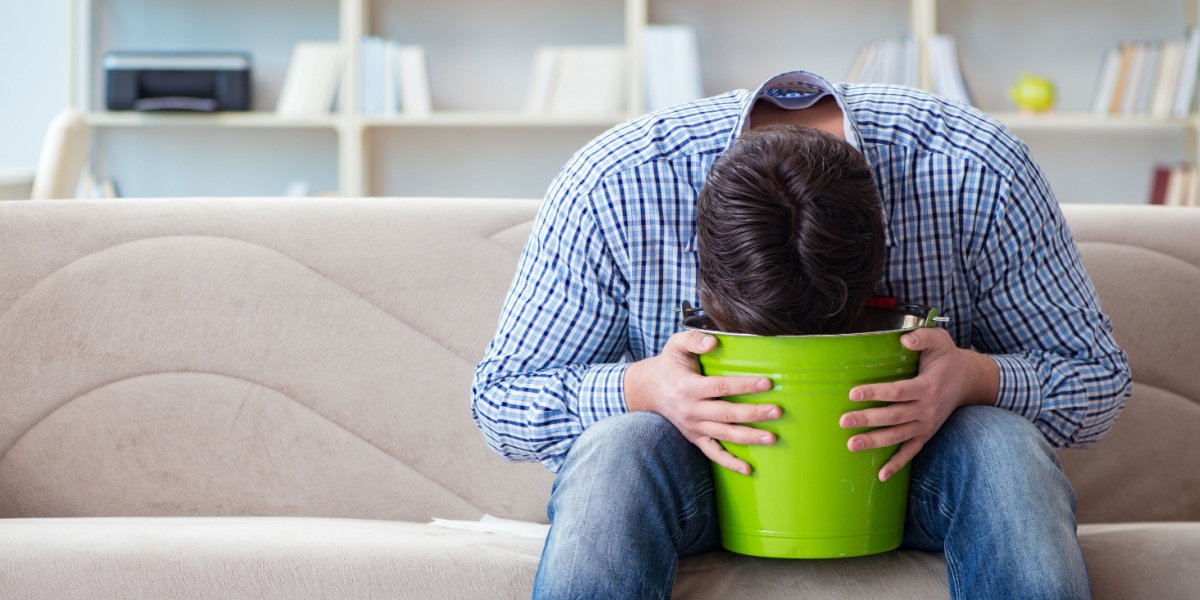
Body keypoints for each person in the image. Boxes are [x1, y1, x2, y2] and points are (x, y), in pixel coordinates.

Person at [471, 70, 1132, 599]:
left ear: (883, 239)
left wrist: (974, 377)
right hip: (708, 484)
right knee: (619, 446)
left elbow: (1098, 379)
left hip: (911, 478)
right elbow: (500, 401)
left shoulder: (977, 173)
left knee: (1002, 443)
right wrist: (644, 386)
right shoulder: (613, 185)